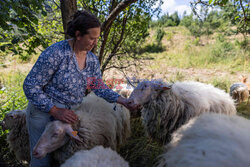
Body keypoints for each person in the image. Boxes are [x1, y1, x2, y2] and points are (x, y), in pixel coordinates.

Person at [23, 10, 138, 167]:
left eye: (97, 39)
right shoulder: (56, 53)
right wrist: (55, 110)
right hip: (44, 114)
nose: (95, 42)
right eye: (91, 38)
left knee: (71, 158)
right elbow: (30, 85)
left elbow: (97, 86)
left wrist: (122, 101)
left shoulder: (91, 60)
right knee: (42, 159)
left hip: (71, 116)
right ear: (78, 35)